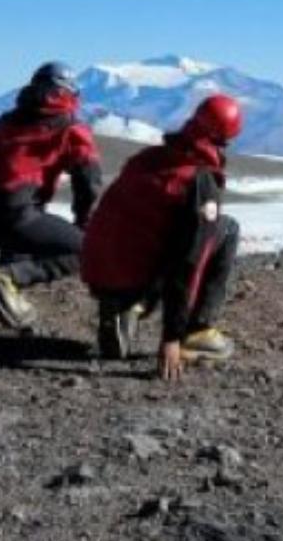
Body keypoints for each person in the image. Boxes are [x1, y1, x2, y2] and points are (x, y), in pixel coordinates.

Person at [80, 94, 243, 380]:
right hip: (134, 270)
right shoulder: (199, 181)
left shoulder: (148, 157)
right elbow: (190, 261)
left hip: (98, 268)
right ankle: (197, 330)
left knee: (164, 233)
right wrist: (172, 337)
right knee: (225, 230)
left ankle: (129, 304)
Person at [0, 62, 104, 331]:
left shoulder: (5, 120)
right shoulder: (70, 127)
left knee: (25, 233)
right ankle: (6, 279)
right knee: (89, 251)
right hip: (13, 211)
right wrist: (85, 223)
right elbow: (89, 181)